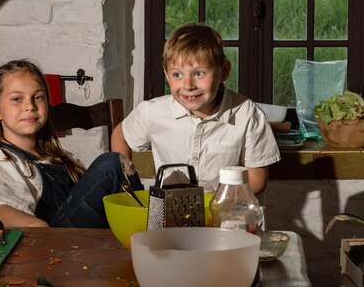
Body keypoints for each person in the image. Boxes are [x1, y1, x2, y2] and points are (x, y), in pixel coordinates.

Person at [0, 59, 142, 227]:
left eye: (38, 97)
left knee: (117, 171)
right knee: (111, 164)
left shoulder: (62, 158)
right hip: (48, 241)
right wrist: (39, 230)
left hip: (90, 239)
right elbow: (0, 210)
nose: (30, 106)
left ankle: (143, 233)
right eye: (17, 99)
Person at [111, 23, 280, 194]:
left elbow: (257, 179)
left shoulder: (248, 114)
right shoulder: (152, 112)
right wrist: (131, 186)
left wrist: (221, 201)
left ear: (224, 72)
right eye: (177, 75)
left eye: (199, 73)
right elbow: (120, 137)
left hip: (225, 216)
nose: (188, 85)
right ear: (166, 75)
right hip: (170, 215)